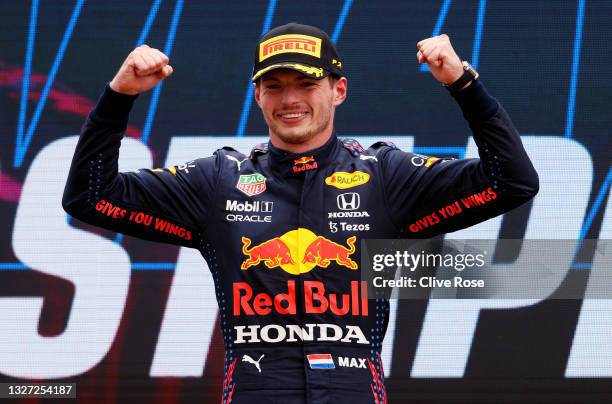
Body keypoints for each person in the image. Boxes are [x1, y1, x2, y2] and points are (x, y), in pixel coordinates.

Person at [63, 22, 538, 404]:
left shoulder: (385, 174)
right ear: (258, 96)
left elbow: (512, 181)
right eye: (274, 85)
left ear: (339, 90)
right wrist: (119, 95)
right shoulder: (218, 180)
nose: (290, 99)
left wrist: (463, 84)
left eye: (307, 83)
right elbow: (89, 196)